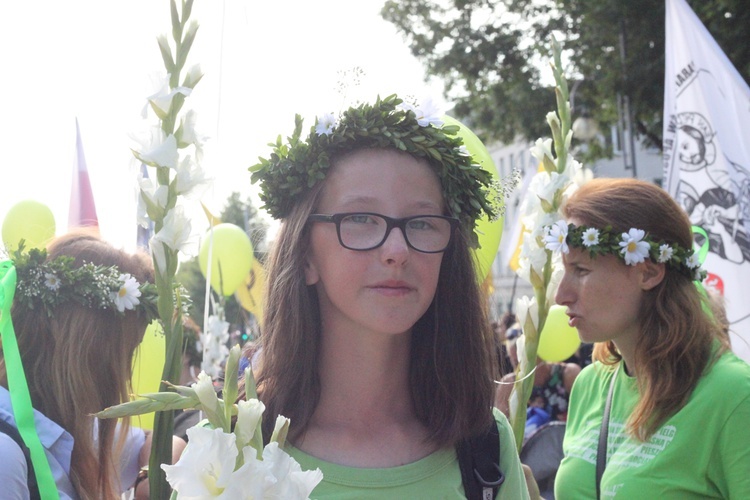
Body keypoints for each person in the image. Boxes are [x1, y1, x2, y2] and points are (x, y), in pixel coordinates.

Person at [246, 95, 530, 498]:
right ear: (306, 254)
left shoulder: (484, 444)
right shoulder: (231, 444)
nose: (397, 249)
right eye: (360, 218)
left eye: (422, 222)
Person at [546, 178, 750, 498]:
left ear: (649, 273)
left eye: (581, 270)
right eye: (564, 271)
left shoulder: (735, 394)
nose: (561, 295)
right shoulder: (589, 385)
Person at [0, 231, 159, 498]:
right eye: (126, 354)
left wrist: (147, 474)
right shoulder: (7, 456)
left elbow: (154, 441)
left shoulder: (66, 430)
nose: (127, 375)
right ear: (92, 354)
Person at [494, 323, 580, 438]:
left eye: (525, 360)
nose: (521, 368)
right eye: (515, 362)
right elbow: (500, 433)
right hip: (527, 453)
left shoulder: (568, 374)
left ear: (540, 351)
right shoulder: (509, 385)